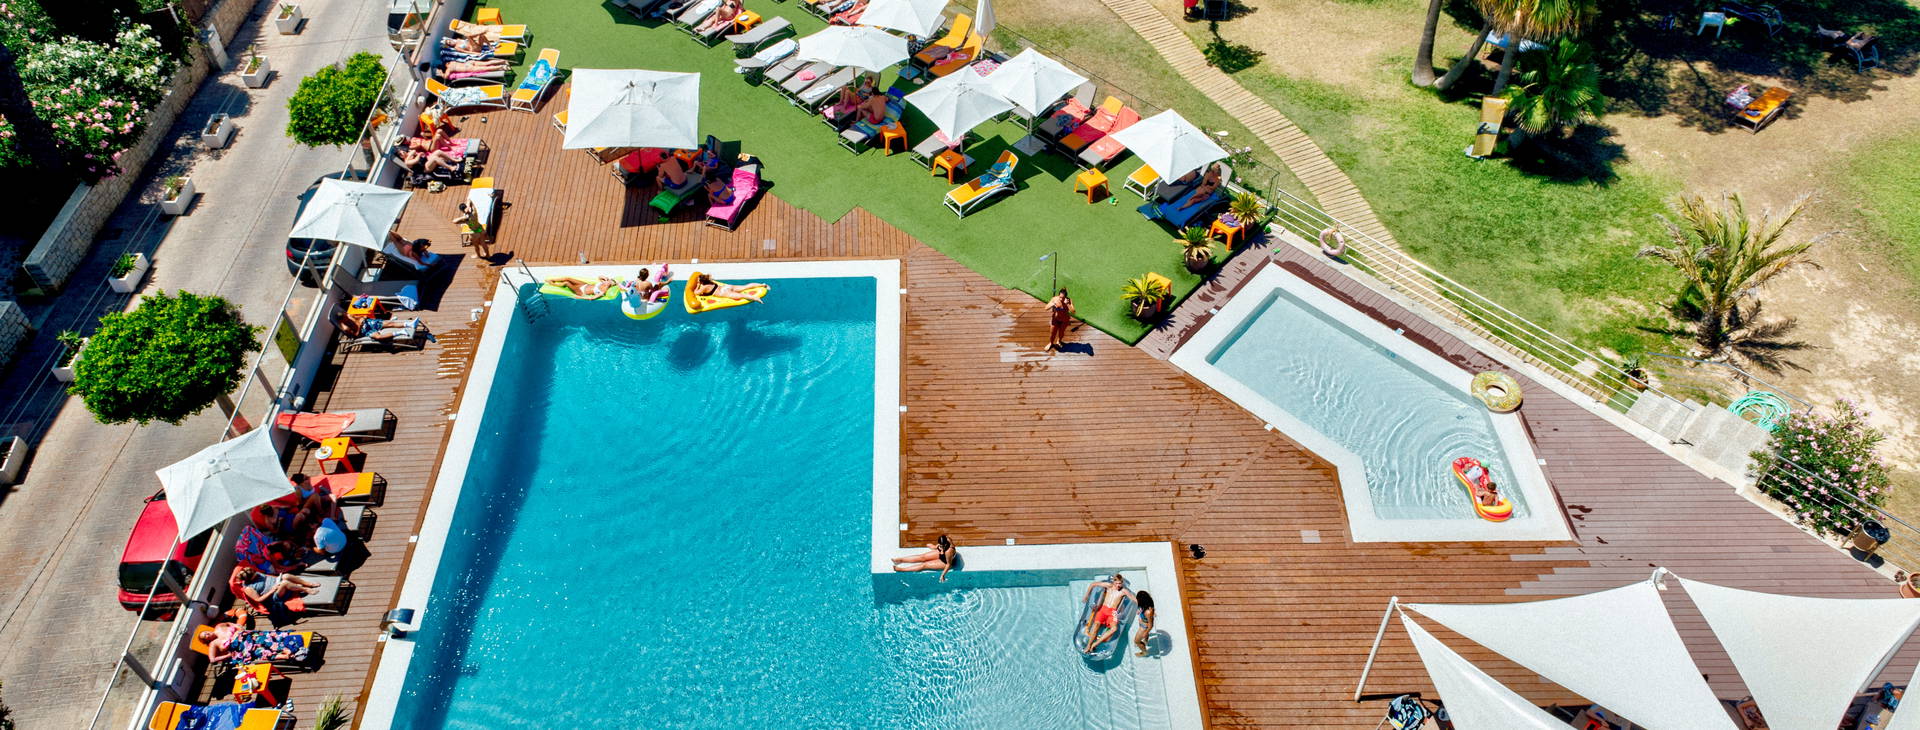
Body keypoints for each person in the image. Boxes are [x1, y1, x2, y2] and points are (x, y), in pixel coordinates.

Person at [196, 623, 309, 665]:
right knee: (261, 651)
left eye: (206, 632)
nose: (207, 634)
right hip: (242, 648)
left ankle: (288, 651)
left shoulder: (219, 626)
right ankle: (288, 655)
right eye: (205, 637)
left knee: (266, 640)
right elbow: (212, 660)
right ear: (207, 641)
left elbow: (232, 624)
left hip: (249, 635)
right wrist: (228, 656)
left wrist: (239, 627)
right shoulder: (213, 644)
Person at [230, 565, 319, 618]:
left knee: (286, 576)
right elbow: (258, 600)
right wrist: (272, 590)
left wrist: (278, 578)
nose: (256, 574)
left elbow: (268, 578)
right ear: (249, 579)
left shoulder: (255, 573)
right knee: (284, 583)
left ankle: (308, 584)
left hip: (277, 583)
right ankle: (306, 589)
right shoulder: (248, 589)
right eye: (254, 575)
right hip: (274, 596)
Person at [1081, 574, 1134, 654]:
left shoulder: (1124, 591)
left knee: (1114, 628)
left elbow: (1133, 599)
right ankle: (1088, 646)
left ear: (1122, 583)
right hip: (1103, 609)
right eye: (1116, 583)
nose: (1118, 585)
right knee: (1096, 625)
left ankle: (1095, 644)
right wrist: (1086, 595)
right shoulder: (1108, 586)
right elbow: (1093, 584)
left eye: (1120, 583)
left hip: (1112, 612)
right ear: (1113, 582)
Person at [891, 535, 958, 582]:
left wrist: (943, 575)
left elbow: (948, 564)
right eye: (940, 545)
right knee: (922, 557)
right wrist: (934, 547)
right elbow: (937, 546)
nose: (941, 546)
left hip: (945, 562)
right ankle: (901, 560)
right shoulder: (945, 540)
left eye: (942, 545)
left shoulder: (949, 551)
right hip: (942, 554)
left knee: (924, 565)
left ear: (946, 544)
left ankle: (902, 569)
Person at [690, 272, 765, 304]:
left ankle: (756, 298)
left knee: (742, 295)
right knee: (745, 287)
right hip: (726, 287)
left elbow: (696, 293)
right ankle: (762, 285)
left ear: (702, 282)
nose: (698, 281)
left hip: (725, 293)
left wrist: (698, 285)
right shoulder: (710, 281)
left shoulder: (704, 287)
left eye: (698, 280)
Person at [545, 276, 618, 299]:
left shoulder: (604, 290)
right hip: (584, 285)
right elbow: (599, 277)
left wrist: (580, 297)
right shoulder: (604, 282)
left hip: (581, 291)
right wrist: (604, 277)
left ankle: (552, 284)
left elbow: (592, 298)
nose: (607, 280)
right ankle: (552, 280)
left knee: (567, 283)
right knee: (568, 278)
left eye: (609, 281)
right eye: (608, 280)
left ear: (609, 285)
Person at [1133, 590, 1157, 657]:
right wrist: (1140, 610)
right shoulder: (1148, 601)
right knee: (1144, 637)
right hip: (1143, 623)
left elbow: (1150, 625)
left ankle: (1145, 652)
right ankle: (1145, 641)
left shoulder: (1148, 612)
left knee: (1136, 641)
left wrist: (1146, 632)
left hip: (1144, 627)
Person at [440, 57, 512, 74]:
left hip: (468, 68)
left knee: (486, 68)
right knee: (487, 63)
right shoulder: (451, 62)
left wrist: (441, 73)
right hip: (469, 62)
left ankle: (503, 67)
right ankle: (503, 61)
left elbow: (446, 76)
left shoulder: (449, 69)